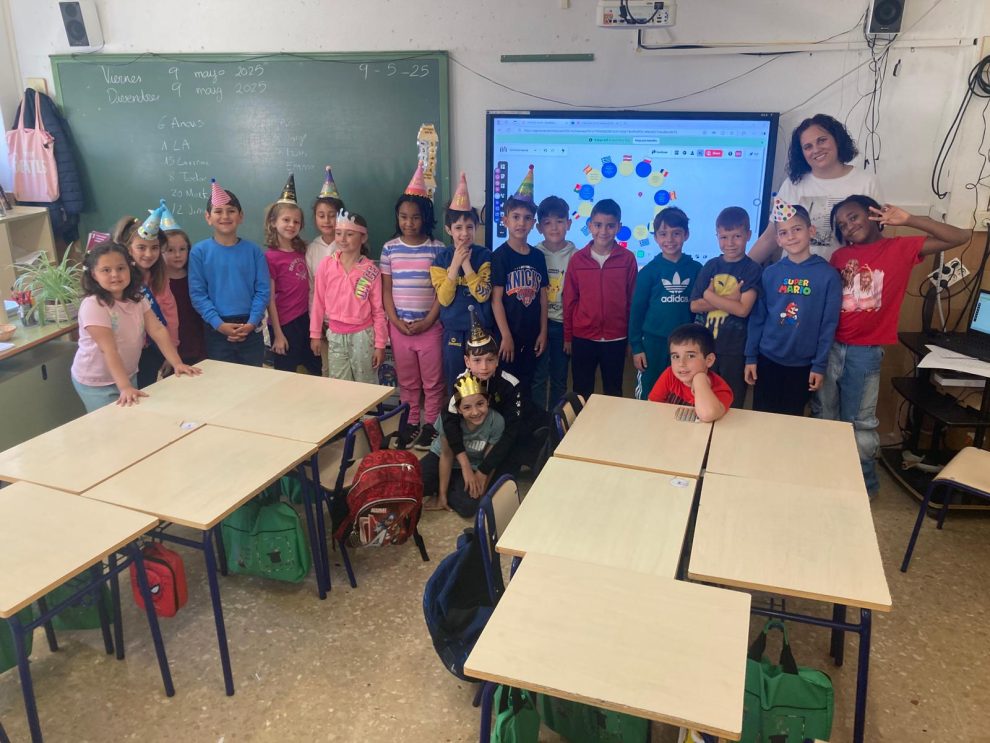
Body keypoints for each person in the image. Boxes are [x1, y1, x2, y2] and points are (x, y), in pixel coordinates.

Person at [823, 197, 970, 497]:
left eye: (853, 217)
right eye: (841, 225)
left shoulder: (899, 248)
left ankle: (864, 488)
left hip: (864, 353)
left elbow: (960, 237)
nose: (848, 226)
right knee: (825, 416)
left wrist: (910, 219)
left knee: (860, 423)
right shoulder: (838, 257)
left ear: (874, 215)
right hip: (829, 349)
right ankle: (830, 479)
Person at [70, 241, 200, 412]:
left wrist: (177, 363)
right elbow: (109, 350)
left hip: (127, 374)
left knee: (131, 418)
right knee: (111, 423)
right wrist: (125, 387)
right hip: (97, 382)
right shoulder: (94, 305)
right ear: (94, 274)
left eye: (121, 268)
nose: (115, 275)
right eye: (106, 270)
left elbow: (157, 330)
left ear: (130, 268)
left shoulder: (137, 297)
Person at [744, 199, 841, 416]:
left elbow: (828, 325)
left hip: (803, 365)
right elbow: (758, 318)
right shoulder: (770, 273)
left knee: (791, 420)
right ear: (778, 240)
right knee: (762, 417)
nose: (791, 236)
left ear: (811, 231)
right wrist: (751, 357)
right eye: (784, 232)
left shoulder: (828, 275)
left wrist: (819, 365)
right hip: (767, 360)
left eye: (797, 229)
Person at [749, 113, 883, 263]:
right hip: (795, 275)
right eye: (808, 147)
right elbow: (770, 238)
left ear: (837, 139)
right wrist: (739, 271)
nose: (816, 149)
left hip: (846, 273)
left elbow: (877, 239)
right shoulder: (793, 184)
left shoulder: (866, 182)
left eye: (822, 140)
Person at [442, 308, 547, 488]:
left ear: (497, 360)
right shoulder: (461, 384)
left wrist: (483, 470)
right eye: (477, 360)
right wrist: (465, 465)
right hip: (496, 436)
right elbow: (449, 421)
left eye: (490, 360)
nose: (484, 367)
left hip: (528, 427)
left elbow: (511, 432)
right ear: (467, 362)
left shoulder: (510, 384)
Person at [380, 163, 445, 449]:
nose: (409, 223)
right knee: (407, 382)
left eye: (415, 217)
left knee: (433, 382)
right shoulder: (389, 249)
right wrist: (395, 321)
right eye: (403, 217)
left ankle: (431, 424)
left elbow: (442, 292)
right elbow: (386, 290)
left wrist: (428, 321)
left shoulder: (437, 249)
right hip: (400, 329)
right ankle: (411, 421)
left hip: (430, 328)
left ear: (425, 218)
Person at [189, 178, 271, 366]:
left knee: (253, 378)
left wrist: (252, 322)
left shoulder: (254, 251)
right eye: (218, 211)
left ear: (241, 216)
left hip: (251, 326)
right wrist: (219, 324)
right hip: (216, 327)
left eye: (231, 211)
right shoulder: (199, 252)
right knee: (222, 379)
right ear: (208, 217)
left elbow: (263, 290)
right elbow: (198, 294)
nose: (225, 216)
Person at [562, 198, 637, 399]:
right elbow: (569, 300)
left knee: (613, 391)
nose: (603, 231)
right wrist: (568, 337)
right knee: (581, 391)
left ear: (619, 227)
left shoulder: (628, 259)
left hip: (616, 338)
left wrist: (631, 338)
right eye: (598, 225)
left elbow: (632, 302)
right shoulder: (578, 259)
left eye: (610, 226)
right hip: (583, 337)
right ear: (589, 226)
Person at [689, 206, 762, 407]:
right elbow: (694, 305)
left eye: (737, 236)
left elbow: (743, 310)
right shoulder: (711, 266)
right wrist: (730, 299)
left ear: (748, 235)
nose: (730, 243)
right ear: (717, 236)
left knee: (732, 400)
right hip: (706, 347)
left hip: (735, 349)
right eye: (724, 237)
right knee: (703, 397)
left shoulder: (752, 269)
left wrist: (709, 295)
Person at [629, 207, 702, 400]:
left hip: (686, 344)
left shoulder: (696, 269)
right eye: (663, 234)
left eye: (676, 233)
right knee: (650, 392)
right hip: (653, 344)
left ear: (686, 235)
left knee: (683, 392)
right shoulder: (648, 272)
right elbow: (636, 312)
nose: (669, 239)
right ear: (655, 237)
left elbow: (700, 309)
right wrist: (637, 347)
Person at [430, 172, 494, 387]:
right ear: (448, 230)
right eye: (458, 228)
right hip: (454, 332)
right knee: (456, 381)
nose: (464, 233)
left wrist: (466, 265)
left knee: (483, 382)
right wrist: (455, 265)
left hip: (482, 332)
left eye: (469, 227)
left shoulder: (485, 256)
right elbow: (444, 299)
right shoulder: (440, 260)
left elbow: (483, 295)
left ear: (476, 228)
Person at [491, 165, 549, 395]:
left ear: (533, 223)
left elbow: (543, 298)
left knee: (527, 387)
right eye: (515, 217)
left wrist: (543, 332)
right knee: (506, 388)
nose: (521, 223)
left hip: (532, 336)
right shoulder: (500, 256)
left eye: (526, 218)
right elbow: (496, 300)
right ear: (505, 220)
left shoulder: (538, 256)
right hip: (509, 337)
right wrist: (505, 335)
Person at [309, 211, 386, 382]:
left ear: (363, 237)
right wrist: (315, 334)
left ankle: (367, 404)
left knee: (366, 384)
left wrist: (380, 344)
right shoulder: (327, 265)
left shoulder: (370, 270)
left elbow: (378, 310)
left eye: (350, 234)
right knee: (340, 385)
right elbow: (318, 302)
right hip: (335, 334)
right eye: (338, 233)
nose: (342, 239)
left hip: (362, 336)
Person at [112, 204, 180, 388]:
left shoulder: (159, 277)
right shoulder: (118, 281)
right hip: (122, 352)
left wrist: (171, 349)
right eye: (141, 247)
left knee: (146, 392)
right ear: (128, 248)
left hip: (151, 350)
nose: (149, 254)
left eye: (155, 248)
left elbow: (170, 313)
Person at [421, 372, 504, 517]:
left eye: (480, 404)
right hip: (441, 459)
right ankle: (442, 487)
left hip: (472, 465)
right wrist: (442, 496)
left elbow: (490, 461)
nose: (475, 412)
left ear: (488, 401)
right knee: (415, 484)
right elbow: (446, 456)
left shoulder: (496, 421)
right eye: (467, 407)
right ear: (458, 409)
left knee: (469, 507)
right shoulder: (449, 421)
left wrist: (481, 492)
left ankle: (447, 484)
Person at [264, 177, 322, 375]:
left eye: (296, 221)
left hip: (305, 320)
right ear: (273, 222)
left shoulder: (303, 250)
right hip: (284, 324)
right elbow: (269, 299)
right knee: (286, 373)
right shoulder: (270, 257)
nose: (291, 225)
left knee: (314, 369)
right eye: (286, 220)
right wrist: (278, 334)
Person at [532, 195, 576, 410]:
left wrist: (570, 333)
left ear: (569, 223)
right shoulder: (534, 254)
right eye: (548, 222)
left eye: (560, 221)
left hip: (562, 326)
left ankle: (555, 422)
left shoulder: (577, 256)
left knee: (559, 378)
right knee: (538, 377)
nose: (554, 227)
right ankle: (538, 422)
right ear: (539, 227)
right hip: (538, 326)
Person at [647, 323, 733, 422]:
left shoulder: (721, 389)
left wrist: (700, 379)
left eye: (690, 356)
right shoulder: (670, 374)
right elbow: (651, 406)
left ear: (709, 360)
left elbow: (707, 414)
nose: (681, 363)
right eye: (676, 356)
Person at [307, 166, 346, 376]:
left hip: (348, 321)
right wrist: (317, 321)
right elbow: (312, 289)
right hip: (322, 323)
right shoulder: (312, 249)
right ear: (315, 218)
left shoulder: (348, 246)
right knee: (328, 370)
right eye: (321, 215)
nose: (327, 220)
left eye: (332, 215)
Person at [162, 218, 205, 367]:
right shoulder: (157, 284)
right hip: (171, 347)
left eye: (182, 249)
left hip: (200, 344)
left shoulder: (196, 277)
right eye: (170, 250)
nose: (177, 255)